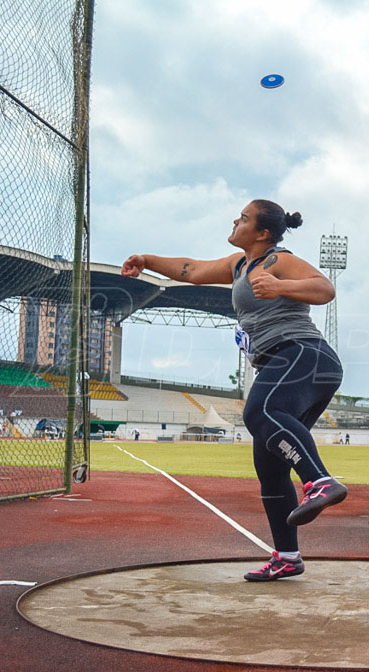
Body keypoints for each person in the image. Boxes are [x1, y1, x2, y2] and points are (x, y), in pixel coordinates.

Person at [122, 199, 346, 582]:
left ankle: (320, 481)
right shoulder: (238, 265)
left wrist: (281, 287)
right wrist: (146, 259)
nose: (235, 221)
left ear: (262, 232)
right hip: (285, 364)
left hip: (303, 356)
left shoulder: (278, 261)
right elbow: (191, 270)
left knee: (260, 413)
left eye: (243, 218)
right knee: (270, 469)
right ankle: (287, 557)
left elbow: (324, 289)